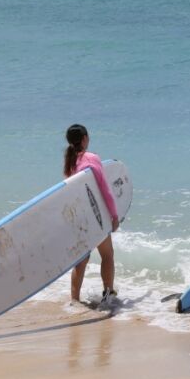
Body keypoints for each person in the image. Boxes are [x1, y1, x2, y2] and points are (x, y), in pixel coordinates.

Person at [63, 124, 120, 307]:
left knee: (81, 260)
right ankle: (108, 294)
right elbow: (104, 190)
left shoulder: (70, 163)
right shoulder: (92, 158)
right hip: (97, 218)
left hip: (80, 219)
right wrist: (113, 215)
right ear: (85, 138)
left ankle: (74, 300)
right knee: (107, 255)